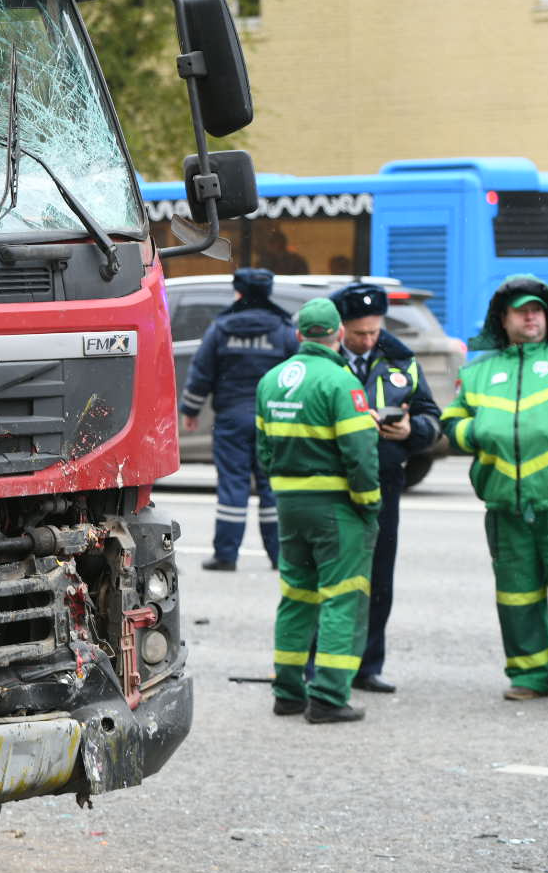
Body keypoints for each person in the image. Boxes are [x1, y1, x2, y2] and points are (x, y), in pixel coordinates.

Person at [440, 275, 548, 703]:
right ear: (503, 319)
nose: (531, 316)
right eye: (521, 310)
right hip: (504, 502)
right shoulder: (479, 370)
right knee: (516, 596)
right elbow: (452, 422)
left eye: (537, 309)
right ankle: (530, 675)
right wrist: (476, 432)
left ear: (547, 314)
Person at [256, 297, 379, 724]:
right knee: (342, 598)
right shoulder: (341, 382)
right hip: (336, 506)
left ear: (298, 335)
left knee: (296, 596)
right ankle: (328, 696)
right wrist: (369, 502)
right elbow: (360, 452)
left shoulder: (270, 381)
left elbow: (264, 449)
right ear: (339, 335)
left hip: (289, 504)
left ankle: (288, 692)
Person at [328, 282, 442, 693]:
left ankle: (367, 666)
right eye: (359, 333)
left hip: (384, 482)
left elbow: (432, 415)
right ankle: (321, 668)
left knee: (379, 579)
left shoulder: (401, 361)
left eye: (374, 331)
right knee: (332, 580)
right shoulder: (324, 360)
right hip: (334, 484)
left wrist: (414, 430)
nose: (368, 339)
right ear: (341, 328)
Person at [179, 268, 300, 571]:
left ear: (240, 293)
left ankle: (226, 555)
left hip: (232, 419)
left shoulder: (222, 328)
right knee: (272, 486)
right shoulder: (283, 329)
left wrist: (190, 411)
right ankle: (279, 556)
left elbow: (201, 373)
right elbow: (296, 373)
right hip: (273, 419)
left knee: (233, 487)